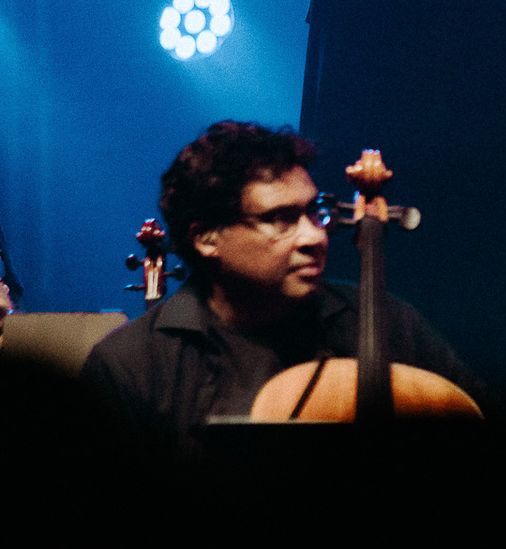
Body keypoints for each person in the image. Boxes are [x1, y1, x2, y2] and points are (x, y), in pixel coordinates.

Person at [82, 120, 479, 443]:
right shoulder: (133, 364)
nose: (315, 238)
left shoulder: (389, 324)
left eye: (314, 213)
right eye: (280, 219)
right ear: (206, 238)